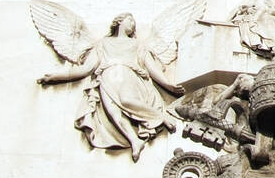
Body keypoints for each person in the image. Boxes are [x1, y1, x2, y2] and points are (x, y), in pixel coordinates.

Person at [38, 13, 182, 162]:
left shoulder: (137, 45)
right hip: (107, 79)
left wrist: (167, 85)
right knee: (113, 112)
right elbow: (86, 69)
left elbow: (153, 68)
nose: (133, 24)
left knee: (127, 100)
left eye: (134, 21)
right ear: (119, 22)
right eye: (130, 20)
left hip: (127, 74)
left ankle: (160, 117)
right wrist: (56, 77)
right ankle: (134, 141)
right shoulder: (102, 44)